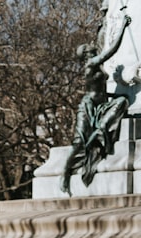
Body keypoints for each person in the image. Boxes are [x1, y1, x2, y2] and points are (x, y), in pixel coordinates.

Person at [61, 14, 131, 193]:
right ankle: (65, 174)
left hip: (101, 105)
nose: (90, 44)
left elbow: (101, 89)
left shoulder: (96, 64)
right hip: (88, 107)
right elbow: (111, 50)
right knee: (78, 143)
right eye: (87, 46)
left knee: (122, 102)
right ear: (86, 54)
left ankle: (99, 136)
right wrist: (123, 26)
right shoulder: (91, 63)